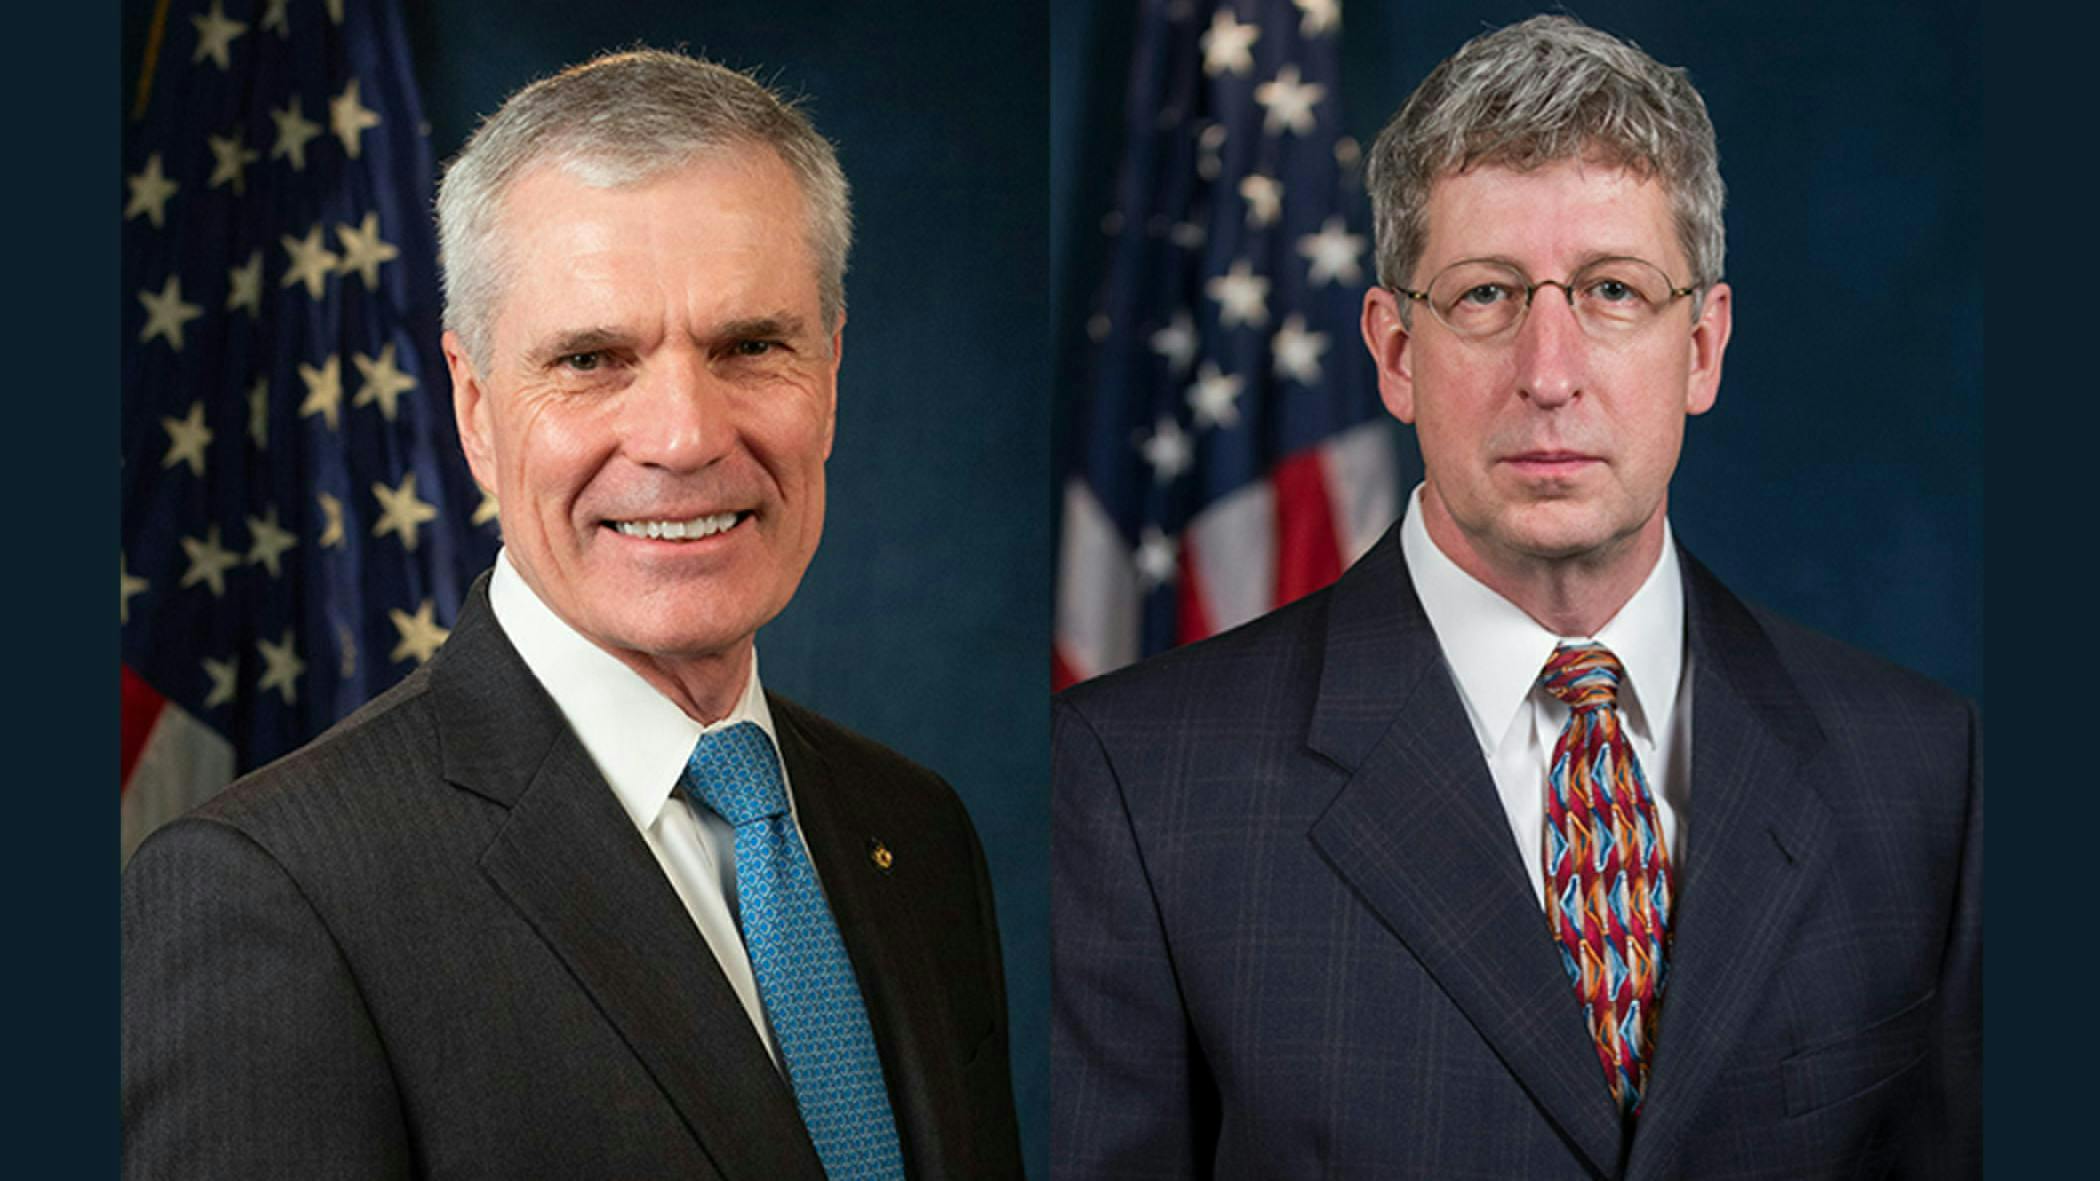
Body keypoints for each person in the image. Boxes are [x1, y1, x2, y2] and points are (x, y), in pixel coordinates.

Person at [1051, 15, 1978, 1180]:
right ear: (1392, 351)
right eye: (1487, 294)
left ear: (1703, 346)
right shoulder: (1136, 782)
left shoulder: (1922, 771)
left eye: (1612, 291)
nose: (1549, 372)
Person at [123, 49, 1022, 1180]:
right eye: (592, 359)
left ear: (830, 374)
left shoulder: (918, 831)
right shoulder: (272, 895)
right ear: (475, 406)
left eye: (750, 345)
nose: (686, 436)